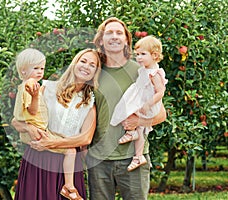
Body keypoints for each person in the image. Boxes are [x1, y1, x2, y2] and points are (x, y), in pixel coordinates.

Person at [85, 17, 167, 200]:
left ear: (126, 40)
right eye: (109, 33)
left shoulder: (141, 70)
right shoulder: (93, 71)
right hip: (99, 159)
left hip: (133, 158)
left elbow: (161, 114)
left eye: (119, 33)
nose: (114, 36)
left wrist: (139, 121)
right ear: (101, 39)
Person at [11, 48, 102, 200]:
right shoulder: (48, 88)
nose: (87, 66)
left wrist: (52, 143)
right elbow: (17, 121)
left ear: (95, 73)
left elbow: (85, 139)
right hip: (38, 156)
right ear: (75, 64)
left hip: (68, 165)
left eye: (92, 65)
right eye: (83, 61)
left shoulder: (89, 102)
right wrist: (29, 127)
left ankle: (68, 187)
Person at [110, 35, 168, 172]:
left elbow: (160, 92)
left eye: (143, 54)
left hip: (147, 103)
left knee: (132, 117)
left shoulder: (154, 73)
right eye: (137, 54)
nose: (139, 58)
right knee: (138, 126)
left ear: (154, 55)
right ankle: (138, 155)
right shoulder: (144, 70)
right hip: (141, 98)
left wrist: (148, 104)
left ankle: (133, 141)